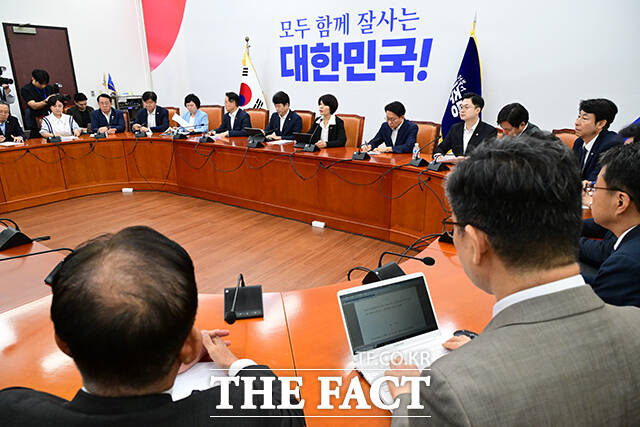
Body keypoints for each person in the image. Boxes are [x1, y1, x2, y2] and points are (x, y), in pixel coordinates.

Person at [385, 136, 640, 426]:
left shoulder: (451, 388)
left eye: (454, 225)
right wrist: (485, 351)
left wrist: (405, 395)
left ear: (477, 243)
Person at [0, 226, 305, 426]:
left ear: (62, 342)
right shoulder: (243, 414)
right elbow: (286, 408)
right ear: (190, 346)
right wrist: (233, 363)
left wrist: (169, 351)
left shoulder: (12, 410)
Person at [578, 144, 640, 307]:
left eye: (595, 188)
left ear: (620, 202)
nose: (592, 195)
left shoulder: (626, 264)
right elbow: (605, 282)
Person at [433, 92, 497, 162]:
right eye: (461, 107)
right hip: (454, 167)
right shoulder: (455, 129)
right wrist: (439, 157)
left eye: (466, 107)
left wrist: (465, 160)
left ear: (477, 110)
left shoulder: (489, 131)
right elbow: (441, 148)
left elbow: (487, 156)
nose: (462, 110)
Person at [572, 98, 622, 182]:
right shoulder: (579, 143)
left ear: (601, 124)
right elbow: (570, 173)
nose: (577, 122)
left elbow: (596, 180)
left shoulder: (611, 145)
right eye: (579, 116)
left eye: (584, 118)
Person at [20, 69, 56, 138]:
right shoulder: (26, 89)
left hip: (51, 118)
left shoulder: (49, 88)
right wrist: (47, 100)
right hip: (35, 119)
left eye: (45, 84)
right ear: (33, 79)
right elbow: (34, 106)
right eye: (41, 84)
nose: (43, 86)